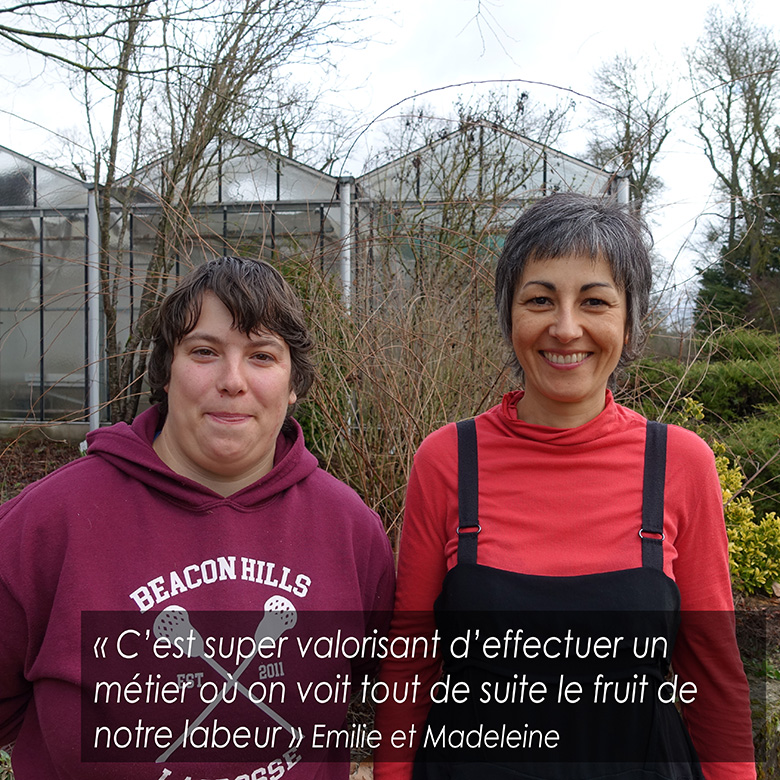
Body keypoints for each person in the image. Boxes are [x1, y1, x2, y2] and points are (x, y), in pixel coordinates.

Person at [373, 193, 756, 780]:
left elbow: (713, 673)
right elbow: (411, 660)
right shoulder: (448, 460)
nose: (566, 327)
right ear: (509, 317)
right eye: (540, 299)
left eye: (595, 301)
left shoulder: (679, 464)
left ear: (629, 325)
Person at [0, 256, 395, 779]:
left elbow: (384, 688)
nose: (232, 381)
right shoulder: (47, 523)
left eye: (262, 356)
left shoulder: (350, 530)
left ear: (293, 383)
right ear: (166, 373)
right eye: (205, 352)